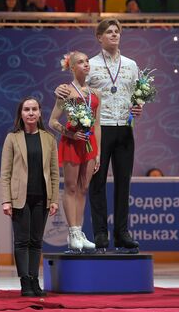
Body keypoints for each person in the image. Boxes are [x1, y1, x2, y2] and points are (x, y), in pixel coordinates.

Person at [55, 19, 143, 253]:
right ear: (99, 37)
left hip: (125, 127)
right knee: (95, 182)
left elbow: (137, 94)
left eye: (117, 32)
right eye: (109, 32)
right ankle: (100, 233)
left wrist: (138, 106)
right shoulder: (90, 64)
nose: (114, 35)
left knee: (124, 182)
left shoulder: (131, 65)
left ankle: (122, 233)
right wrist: (60, 90)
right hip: (97, 129)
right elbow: (74, 88)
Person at [0, 96, 59, 297]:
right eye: (27, 109)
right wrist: (6, 200)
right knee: (21, 241)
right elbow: (5, 172)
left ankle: (34, 279)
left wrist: (54, 200)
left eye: (34, 109)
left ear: (40, 113)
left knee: (36, 241)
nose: (31, 113)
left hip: (42, 197)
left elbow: (54, 173)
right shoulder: (12, 138)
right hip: (19, 198)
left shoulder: (49, 139)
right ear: (21, 114)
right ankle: (25, 281)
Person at [49, 51, 100, 252]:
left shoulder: (96, 94)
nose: (86, 64)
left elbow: (97, 125)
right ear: (72, 67)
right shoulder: (65, 91)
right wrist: (69, 135)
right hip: (72, 143)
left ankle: (79, 231)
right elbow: (53, 121)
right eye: (81, 62)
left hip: (89, 144)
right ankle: (72, 233)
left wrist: (98, 153)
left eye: (87, 61)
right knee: (70, 188)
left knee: (83, 188)